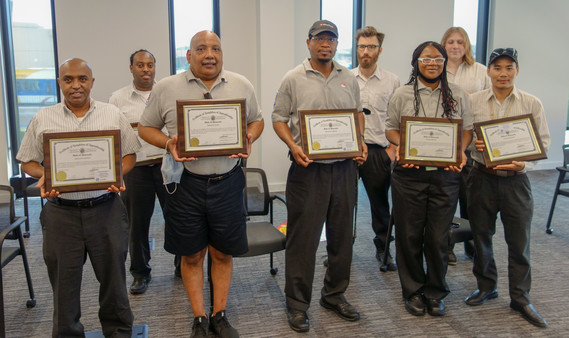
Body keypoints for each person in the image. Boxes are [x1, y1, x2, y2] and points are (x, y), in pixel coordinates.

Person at [138, 31, 263, 338]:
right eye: (202, 48)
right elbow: (144, 127)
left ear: (222, 53)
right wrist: (169, 143)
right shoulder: (167, 87)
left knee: (222, 252)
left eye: (216, 48)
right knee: (192, 254)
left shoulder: (241, 84)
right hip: (186, 185)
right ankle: (199, 317)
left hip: (229, 182)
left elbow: (256, 120)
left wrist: (249, 137)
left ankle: (220, 314)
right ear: (189, 55)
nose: (210, 54)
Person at [16, 58, 139, 337]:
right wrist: (46, 174)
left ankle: (119, 331)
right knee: (64, 285)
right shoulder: (43, 118)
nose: (75, 85)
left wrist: (117, 173)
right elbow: (27, 161)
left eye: (82, 79)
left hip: (105, 209)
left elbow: (130, 154)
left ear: (91, 82)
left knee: (114, 282)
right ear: (60, 83)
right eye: (68, 79)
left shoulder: (112, 114)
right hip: (61, 214)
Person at [272, 20, 367, 333]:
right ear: (309, 42)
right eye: (320, 39)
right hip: (308, 170)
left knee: (342, 237)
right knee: (303, 239)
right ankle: (297, 304)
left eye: (331, 39)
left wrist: (361, 142)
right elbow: (278, 118)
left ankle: (334, 294)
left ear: (337, 44)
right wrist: (292, 144)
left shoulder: (348, 77)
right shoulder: (293, 78)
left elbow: (356, 116)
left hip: (344, 169)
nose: (325, 44)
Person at [385, 41, 473, 317]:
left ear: (445, 62)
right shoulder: (401, 94)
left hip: (445, 176)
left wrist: (459, 151)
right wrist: (403, 146)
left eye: (438, 59)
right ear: (416, 63)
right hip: (409, 176)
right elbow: (390, 130)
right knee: (409, 234)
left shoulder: (458, 95)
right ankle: (412, 291)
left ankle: (436, 291)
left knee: (437, 237)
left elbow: (467, 130)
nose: (432, 64)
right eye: (426, 59)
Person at [464, 48, 550, 328]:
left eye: (509, 68)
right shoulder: (472, 101)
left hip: (516, 182)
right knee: (481, 236)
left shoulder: (531, 103)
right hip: (481, 178)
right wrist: (471, 145)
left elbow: (543, 144)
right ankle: (487, 286)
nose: (503, 73)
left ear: (516, 71)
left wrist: (523, 165)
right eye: (497, 67)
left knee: (519, 240)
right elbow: (460, 138)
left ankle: (521, 296)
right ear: (487, 71)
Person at [109, 49, 172, 294]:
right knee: (137, 224)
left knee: (177, 218)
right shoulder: (117, 99)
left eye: (149, 65)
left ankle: (182, 264)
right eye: (140, 65)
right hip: (136, 169)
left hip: (167, 166)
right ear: (131, 68)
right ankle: (140, 273)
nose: (145, 69)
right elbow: (112, 137)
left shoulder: (166, 93)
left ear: (155, 67)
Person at [351, 26, 400, 271]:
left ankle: (384, 249)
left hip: (379, 151)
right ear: (356, 48)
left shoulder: (392, 81)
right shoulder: (346, 79)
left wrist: (392, 149)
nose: (366, 52)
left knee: (380, 204)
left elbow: (399, 119)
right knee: (342, 204)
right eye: (362, 46)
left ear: (379, 50)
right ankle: (340, 251)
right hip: (349, 152)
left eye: (371, 47)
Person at [441, 26, 491, 265]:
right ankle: (447, 246)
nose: (455, 46)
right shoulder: (435, 69)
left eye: (460, 42)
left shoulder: (480, 71)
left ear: (467, 45)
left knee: (471, 199)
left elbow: (491, 103)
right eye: (450, 41)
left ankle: (472, 246)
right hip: (444, 145)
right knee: (447, 198)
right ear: (444, 44)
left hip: (472, 144)